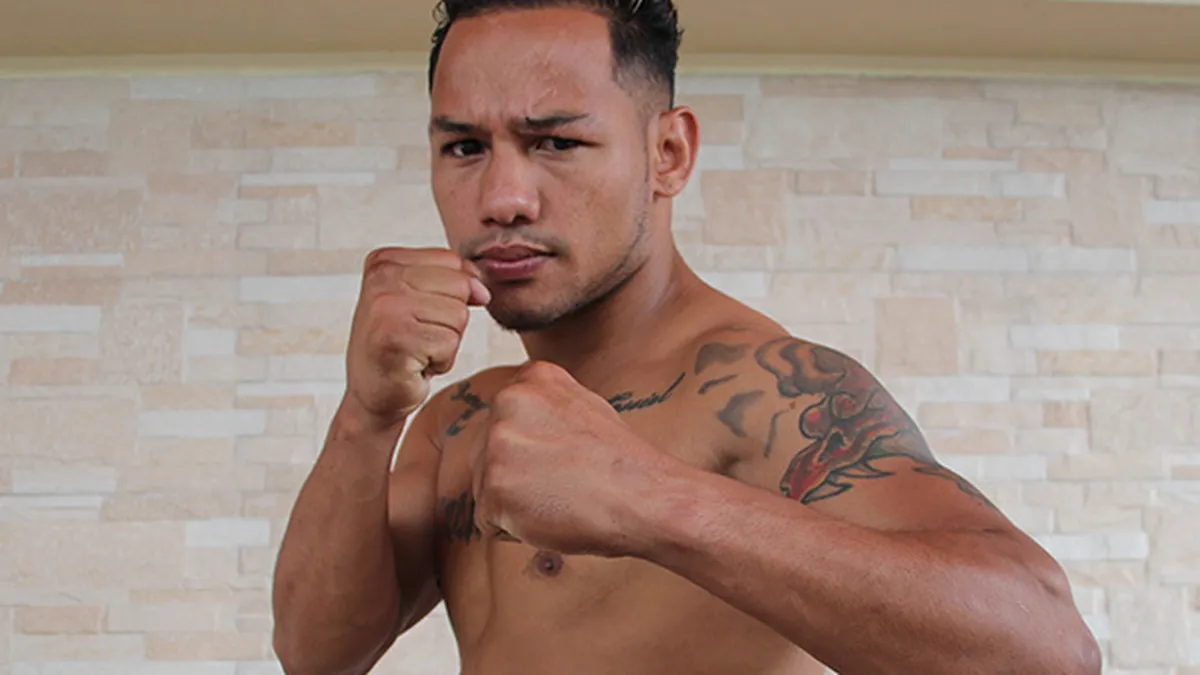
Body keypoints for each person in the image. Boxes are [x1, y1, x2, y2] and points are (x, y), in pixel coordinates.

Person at [271, 1, 1102, 673]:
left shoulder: (767, 390)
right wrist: (366, 414)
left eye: (556, 142)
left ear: (668, 153)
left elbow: (1049, 650)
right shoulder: (458, 420)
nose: (503, 198)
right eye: (464, 146)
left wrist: (648, 497)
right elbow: (316, 654)